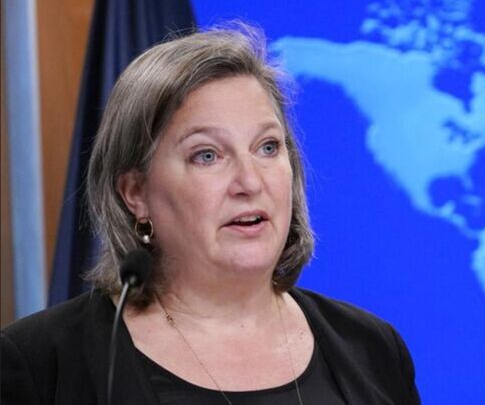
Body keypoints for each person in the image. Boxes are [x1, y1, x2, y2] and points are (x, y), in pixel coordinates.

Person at [1, 23, 420, 404]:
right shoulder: (41, 364)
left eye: (267, 147)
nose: (250, 182)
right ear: (136, 193)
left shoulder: (372, 349)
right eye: (207, 155)